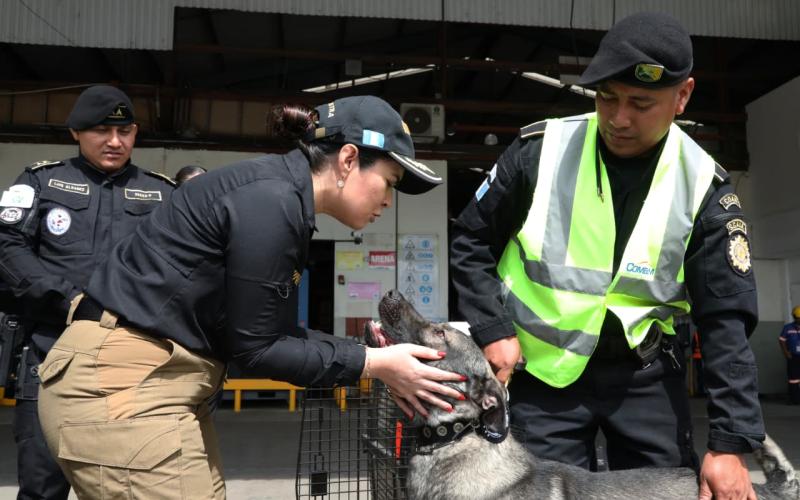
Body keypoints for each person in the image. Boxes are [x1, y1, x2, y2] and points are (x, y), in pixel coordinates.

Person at [36, 95, 463, 499]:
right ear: (349, 159)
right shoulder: (271, 203)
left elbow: (267, 332)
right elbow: (257, 350)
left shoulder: (276, 195)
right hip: (124, 386)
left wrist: (367, 358)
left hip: (152, 383)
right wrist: (373, 364)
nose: (388, 202)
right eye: (388, 182)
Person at [450, 11, 763, 500]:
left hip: (646, 381)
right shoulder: (540, 152)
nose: (619, 118)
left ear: (682, 96)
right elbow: (470, 241)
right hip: (543, 378)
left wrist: (728, 443)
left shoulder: (705, 187)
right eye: (607, 98)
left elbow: (725, 320)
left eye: (641, 103)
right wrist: (494, 329)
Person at [0, 85, 176, 500]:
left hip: (132, 367)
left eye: (126, 131)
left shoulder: (163, 193)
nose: (115, 142)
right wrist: (70, 301)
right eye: (101, 131)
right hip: (49, 357)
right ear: (75, 133)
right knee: (42, 488)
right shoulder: (41, 181)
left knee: (127, 488)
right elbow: (7, 245)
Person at [778, 306, 800, 404]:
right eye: (798, 317)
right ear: (794, 317)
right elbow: (782, 340)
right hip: (793, 356)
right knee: (793, 379)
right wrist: (786, 352)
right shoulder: (788, 327)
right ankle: (794, 399)